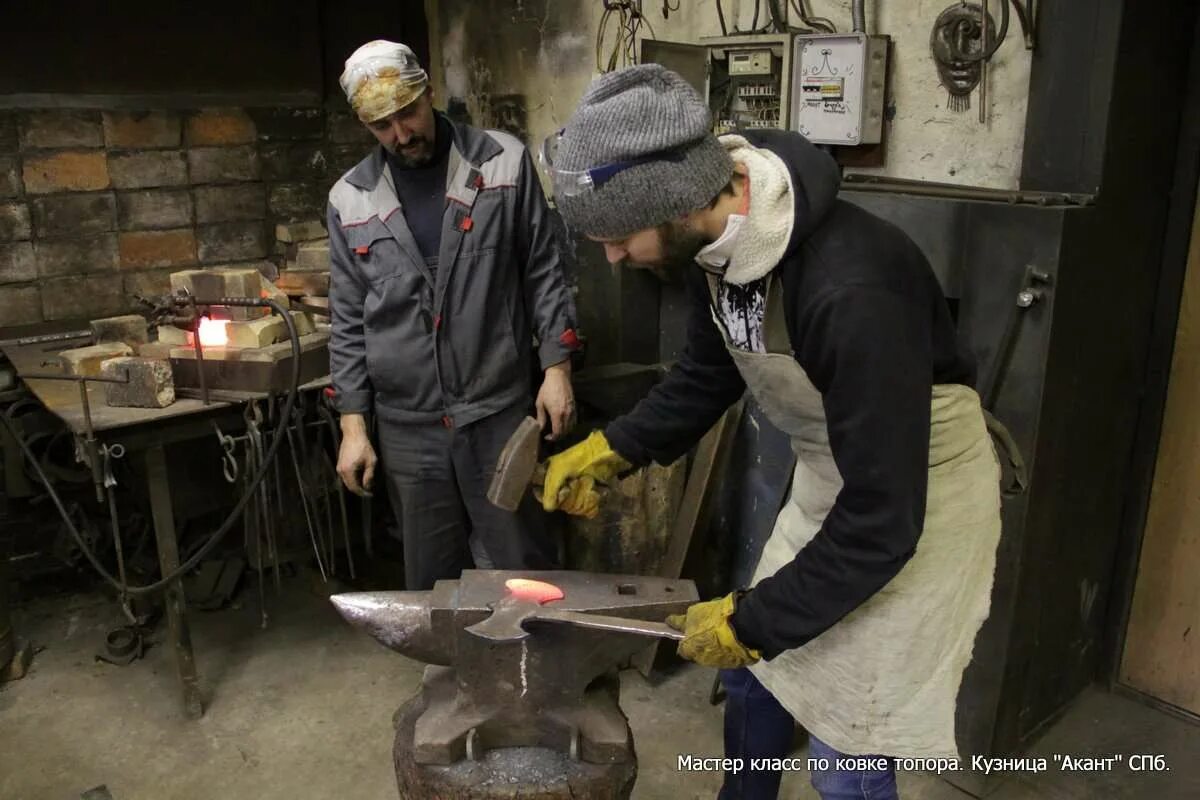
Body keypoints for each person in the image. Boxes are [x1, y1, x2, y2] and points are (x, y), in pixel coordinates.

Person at [540, 64, 1003, 800]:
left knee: (844, 744)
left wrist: (757, 618)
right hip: (836, 474)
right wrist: (614, 450)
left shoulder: (849, 290)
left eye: (620, 236)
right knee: (757, 683)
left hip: (917, 498)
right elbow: (707, 374)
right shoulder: (715, 247)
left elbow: (884, 518)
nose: (612, 257)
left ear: (673, 202)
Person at [327, 40, 579, 591]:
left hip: (496, 412)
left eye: (408, 113)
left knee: (523, 564)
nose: (401, 135)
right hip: (408, 426)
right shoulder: (349, 199)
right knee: (433, 579)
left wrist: (557, 370)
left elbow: (543, 270)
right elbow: (347, 320)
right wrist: (353, 428)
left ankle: (533, 673)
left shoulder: (503, 162)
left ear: (429, 91)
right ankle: (450, 675)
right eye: (382, 126)